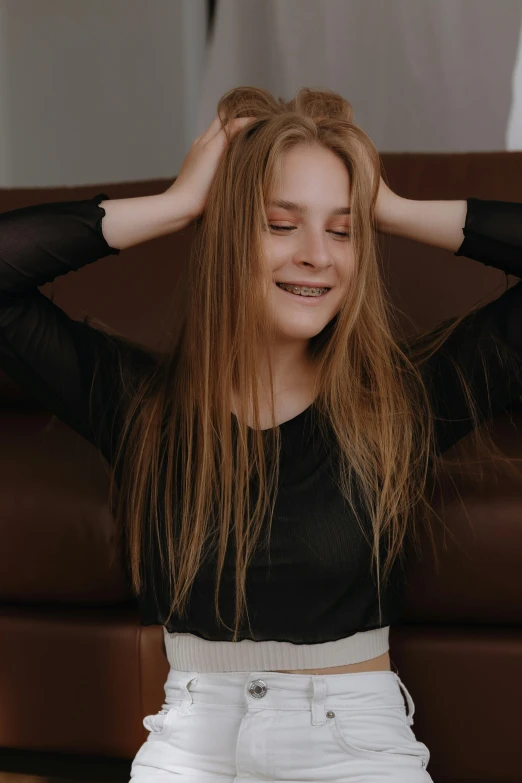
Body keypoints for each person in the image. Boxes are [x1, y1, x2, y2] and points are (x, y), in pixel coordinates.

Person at [2, 86, 522, 781]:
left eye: (342, 230)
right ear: (226, 234)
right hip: (190, 742)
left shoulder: (405, 403)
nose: (318, 255)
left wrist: (391, 207)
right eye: (282, 223)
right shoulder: (142, 405)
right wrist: (180, 202)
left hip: (353, 746)